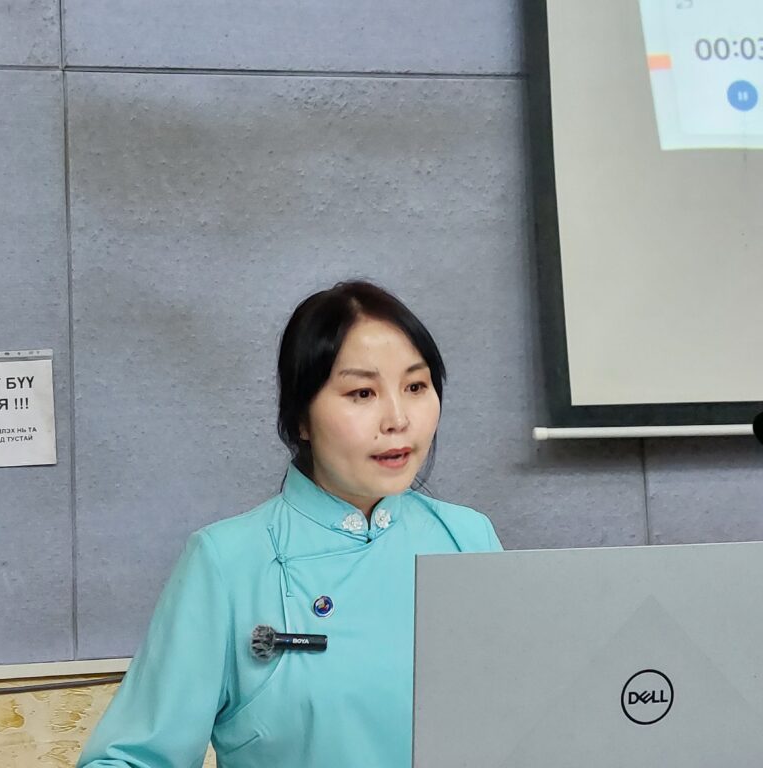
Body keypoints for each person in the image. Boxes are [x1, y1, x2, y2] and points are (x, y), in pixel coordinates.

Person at [77, 280, 502, 768]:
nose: (397, 419)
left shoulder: (468, 539)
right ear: (301, 418)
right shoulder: (227, 562)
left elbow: (525, 725)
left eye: (415, 387)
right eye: (362, 392)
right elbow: (128, 759)